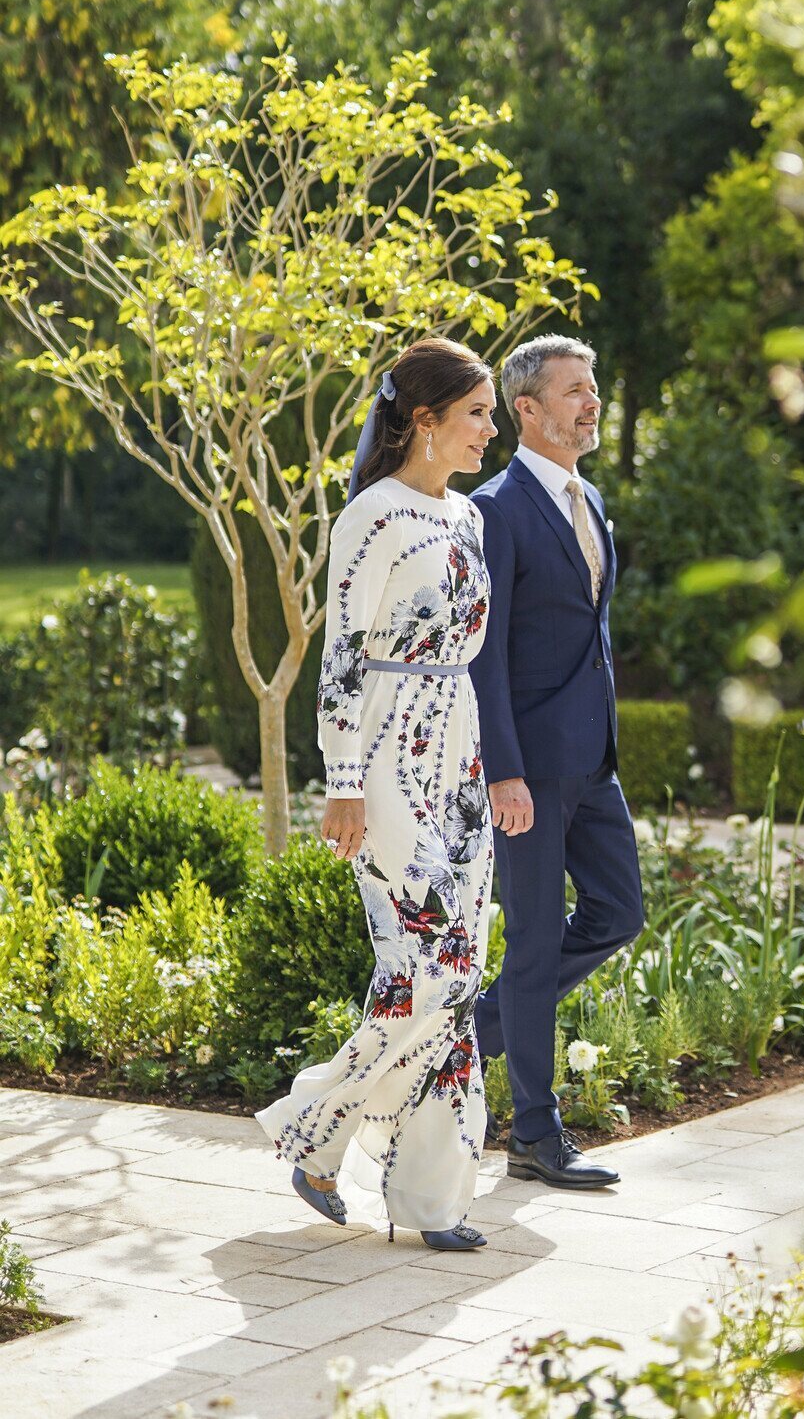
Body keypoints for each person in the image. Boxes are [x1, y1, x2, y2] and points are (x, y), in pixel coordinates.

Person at [255, 337, 498, 1251]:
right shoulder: (371, 516)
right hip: (389, 755)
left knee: (445, 976)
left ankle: (431, 1200)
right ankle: (315, 1124)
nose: (490, 429)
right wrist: (344, 782)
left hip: (459, 752)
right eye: (475, 413)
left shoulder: (469, 519)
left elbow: (472, 654)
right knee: (438, 963)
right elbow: (343, 659)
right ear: (424, 420)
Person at [469, 334, 645, 1189]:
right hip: (528, 772)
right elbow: (484, 654)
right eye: (575, 389)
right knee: (535, 943)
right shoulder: (495, 510)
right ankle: (535, 1136)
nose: (593, 400)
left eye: (595, 384)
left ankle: (467, 1031)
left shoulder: (593, 499)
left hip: (593, 761)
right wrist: (501, 770)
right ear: (526, 410)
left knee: (619, 913)